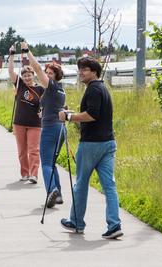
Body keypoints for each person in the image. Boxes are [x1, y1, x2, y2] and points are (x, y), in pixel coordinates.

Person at [59, 57, 123, 239]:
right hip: (108, 143)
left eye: (85, 69)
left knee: (81, 184)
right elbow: (96, 114)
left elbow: (92, 115)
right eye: (80, 69)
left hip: (91, 144)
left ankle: (77, 222)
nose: (81, 73)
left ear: (94, 71)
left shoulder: (93, 89)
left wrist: (69, 118)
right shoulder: (102, 88)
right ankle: (114, 224)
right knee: (109, 185)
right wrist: (71, 114)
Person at [20, 42, 65, 208]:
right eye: (47, 73)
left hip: (50, 128)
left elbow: (37, 68)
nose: (45, 75)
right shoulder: (61, 90)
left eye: (49, 73)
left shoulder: (51, 87)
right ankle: (58, 193)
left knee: (45, 163)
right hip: (60, 128)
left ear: (55, 76)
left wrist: (27, 51)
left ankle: (52, 190)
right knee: (52, 162)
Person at [8, 44, 44, 184]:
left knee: (34, 150)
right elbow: (11, 71)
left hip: (35, 124)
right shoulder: (20, 85)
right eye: (24, 76)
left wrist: (43, 111)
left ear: (33, 76)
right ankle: (25, 173)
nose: (27, 78)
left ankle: (33, 175)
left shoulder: (41, 89)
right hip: (19, 123)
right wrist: (11, 54)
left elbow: (45, 105)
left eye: (29, 75)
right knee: (22, 151)